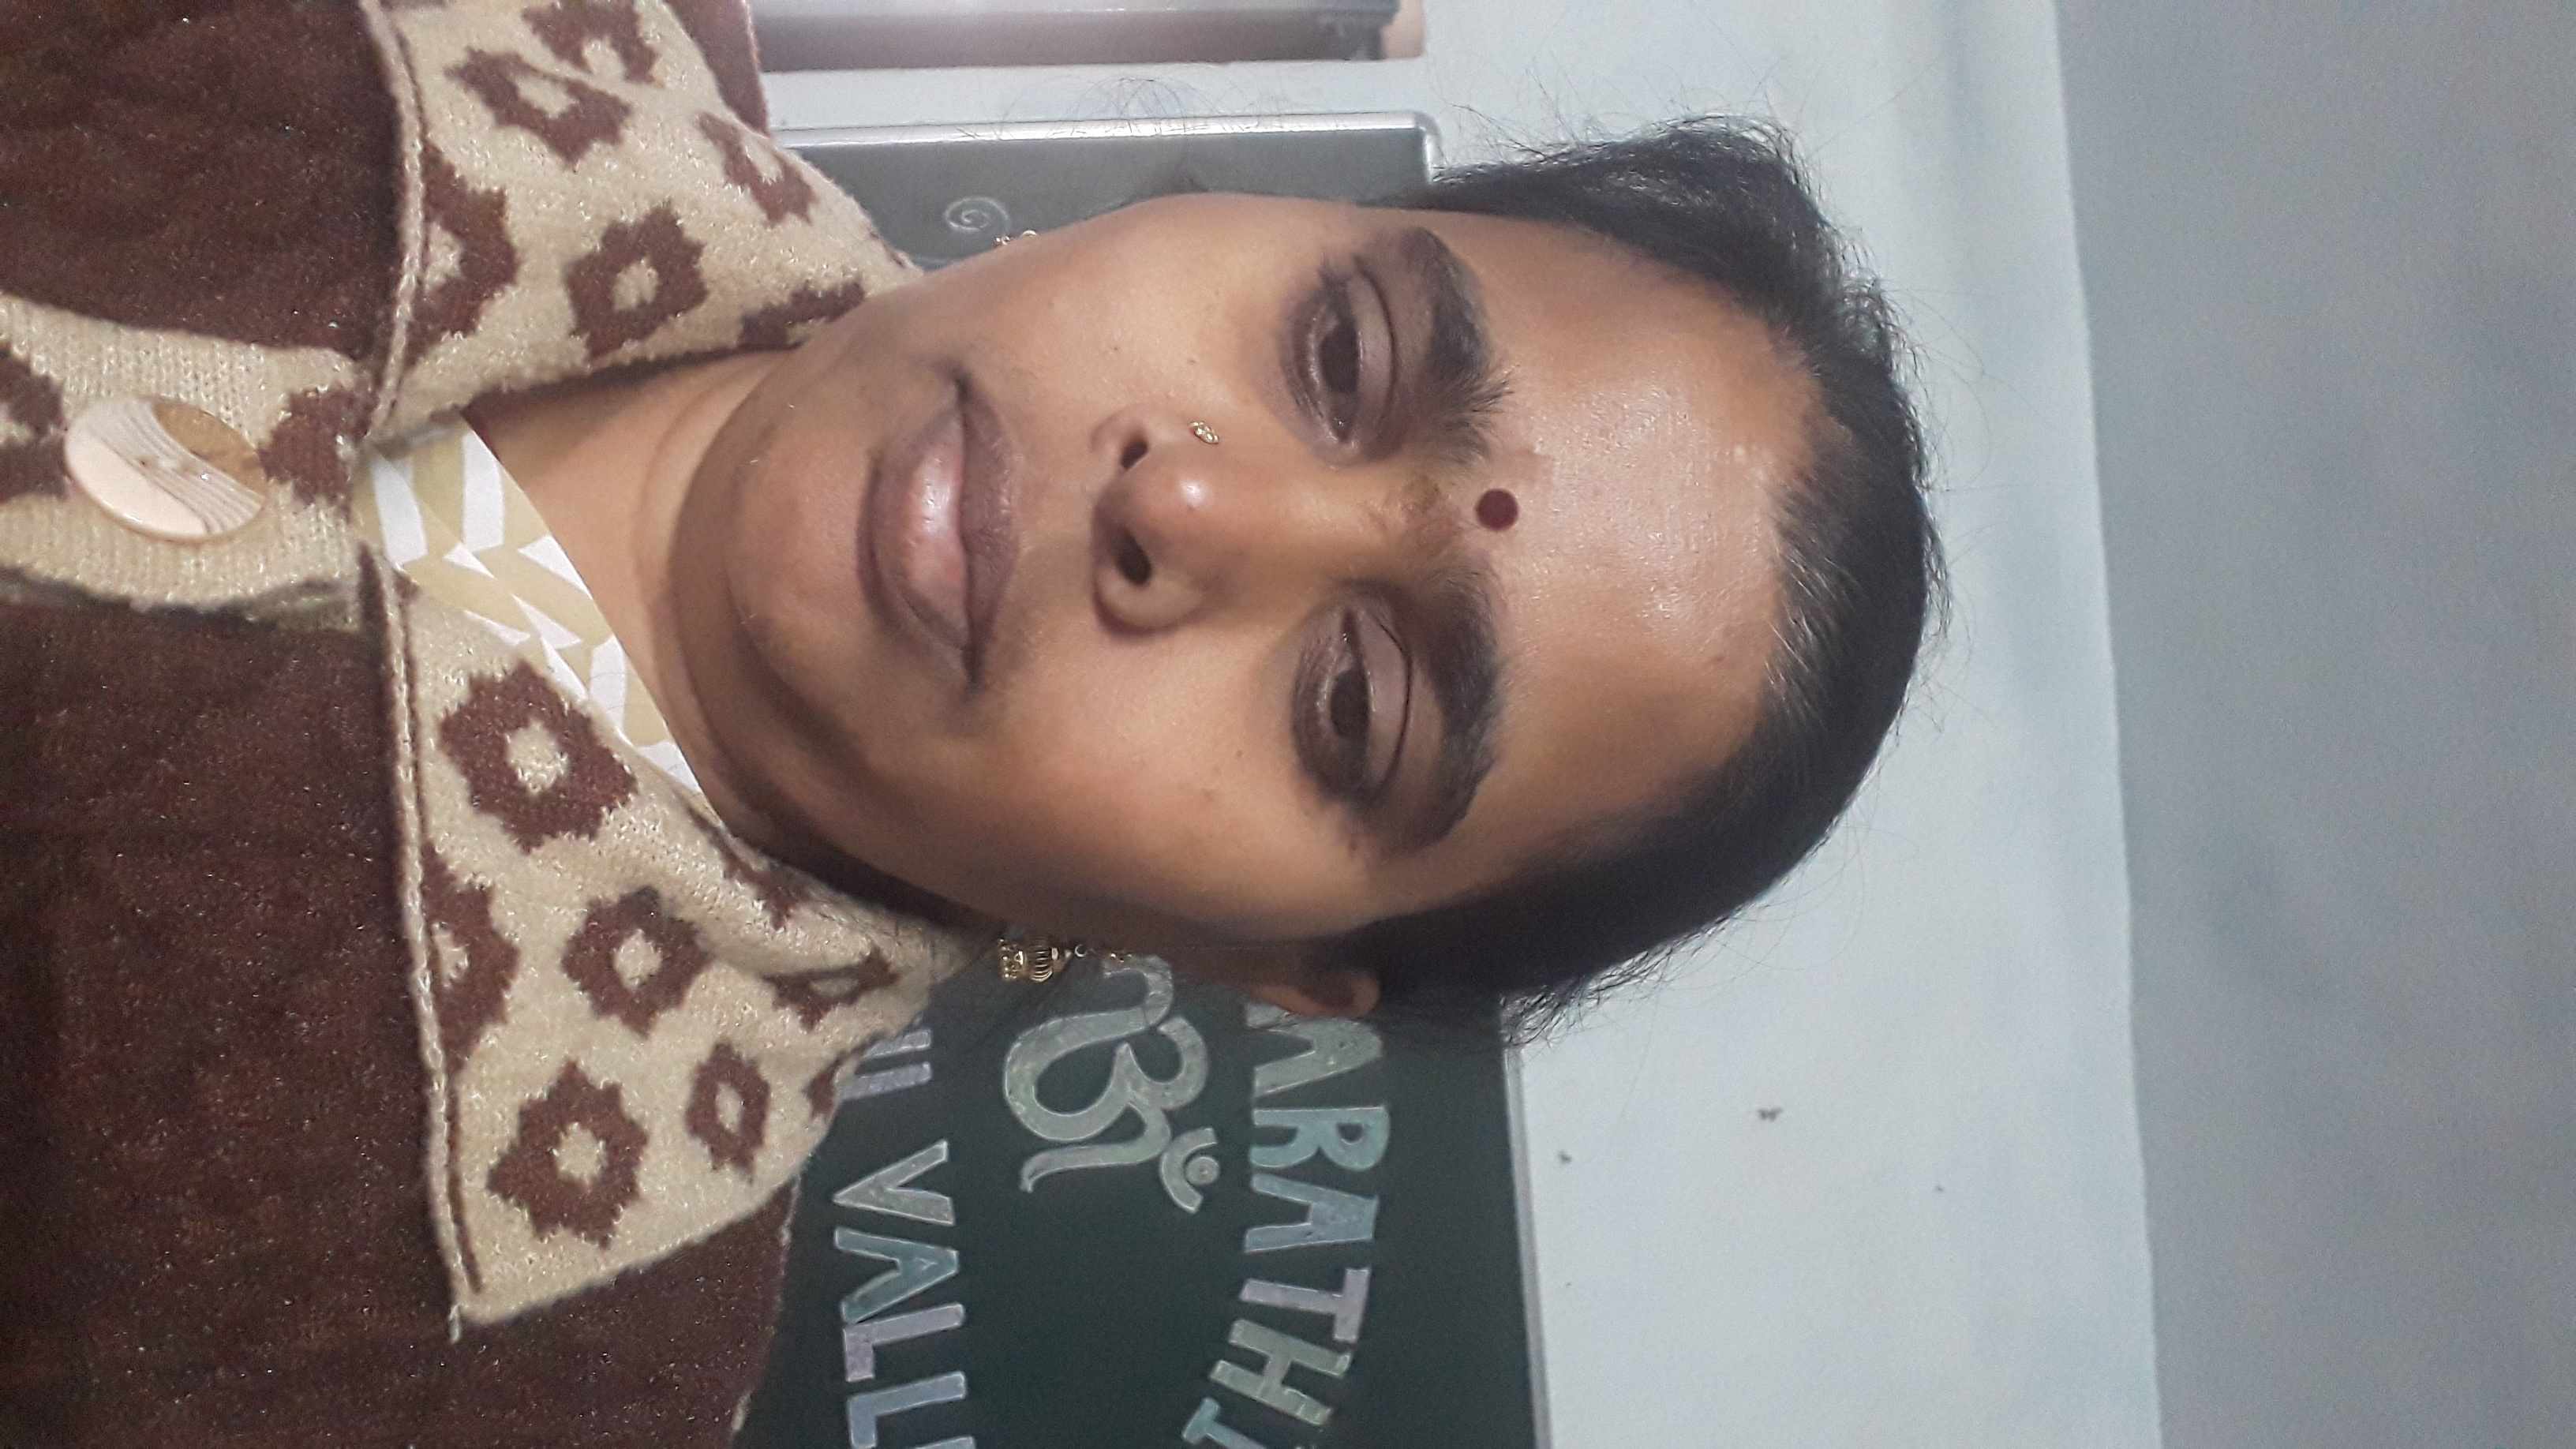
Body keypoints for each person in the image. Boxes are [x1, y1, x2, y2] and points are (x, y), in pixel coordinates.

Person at [0, 0, 1930, 1441]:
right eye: (1339, 354)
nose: (1191, 505)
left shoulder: (504, 1362)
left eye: (1354, 700)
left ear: (1267, 963)